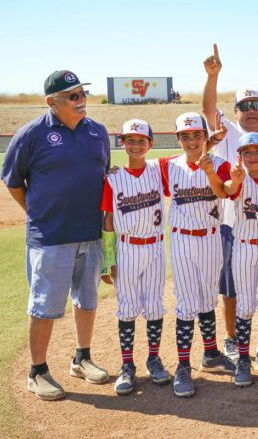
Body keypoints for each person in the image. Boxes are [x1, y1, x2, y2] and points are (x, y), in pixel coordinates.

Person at [2, 70, 110, 401]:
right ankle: (38, 371)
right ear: (52, 102)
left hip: (89, 233)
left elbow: (103, 176)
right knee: (45, 306)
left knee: (87, 300)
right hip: (50, 237)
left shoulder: (98, 132)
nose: (81, 101)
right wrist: (40, 214)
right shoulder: (31, 134)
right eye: (73, 96)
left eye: (83, 94)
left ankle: (82, 357)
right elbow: (13, 182)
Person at [202, 43, 258, 362]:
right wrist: (213, 77)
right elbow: (209, 109)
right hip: (233, 225)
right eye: (244, 105)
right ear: (236, 111)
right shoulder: (228, 134)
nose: (251, 110)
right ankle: (231, 339)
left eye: (256, 104)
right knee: (233, 288)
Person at [158, 112, 235, 397]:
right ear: (177, 139)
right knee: (187, 303)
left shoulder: (222, 165)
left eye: (197, 135)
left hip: (211, 238)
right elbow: (137, 168)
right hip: (183, 241)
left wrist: (208, 163)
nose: (191, 141)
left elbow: (225, 193)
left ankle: (211, 354)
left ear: (206, 136)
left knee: (206, 298)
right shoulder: (167, 166)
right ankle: (182, 366)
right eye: (185, 136)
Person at [205, 133, 258, 387]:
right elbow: (228, 190)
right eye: (247, 152)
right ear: (240, 156)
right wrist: (234, 180)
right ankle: (242, 359)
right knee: (246, 306)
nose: (253, 156)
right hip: (245, 248)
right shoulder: (239, 178)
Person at [100, 119, 171, 395]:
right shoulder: (113, 178)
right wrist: (108, 259)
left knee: (154, 306)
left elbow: (189, 159)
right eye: (130, 140)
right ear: (122, 143)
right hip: (127, 247)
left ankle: (153, 358)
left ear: (150, 144)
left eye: (141, 140)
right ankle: (127, 365)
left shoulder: (158, 170)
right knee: (127, 308)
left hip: (155, 246)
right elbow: (108, 220)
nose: (136, 145)